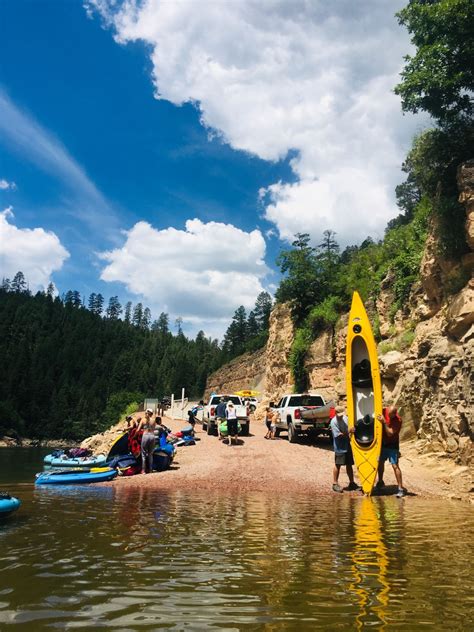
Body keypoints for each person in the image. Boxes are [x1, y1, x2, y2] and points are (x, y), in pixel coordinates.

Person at [330, 406, 361, 493]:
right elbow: (339, 435)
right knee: (338, 464)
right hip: (339, 446)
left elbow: (350, 428)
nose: (340, 416)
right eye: (339, 414)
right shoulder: (333, 422)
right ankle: (335, 484)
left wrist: (352, 430)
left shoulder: (345, 418)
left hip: (347, 445)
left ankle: (351, 483)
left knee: (349, 464)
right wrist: (349, 431)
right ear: (336, 413)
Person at [377, 405, 406, 497]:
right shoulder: (383, 411)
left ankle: (400, 488)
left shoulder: (398, 420)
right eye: (388, 414)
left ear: (394, 413)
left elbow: (390, 433)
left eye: (391, 415)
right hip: (383, 443)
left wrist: (384, 422)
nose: (389, 416)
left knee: (395, 465)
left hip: (392, 445)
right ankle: (380, 481)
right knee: (380, 462)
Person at [138, 408, 156, 474]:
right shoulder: (153, 420)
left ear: (146, 413)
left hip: (145, 436)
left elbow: (138, 430)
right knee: (151, 454)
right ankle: (151, 470)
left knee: (143, 454)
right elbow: (153, 428)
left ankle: (143, 470)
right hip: (152, 436)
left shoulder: (143, 420)